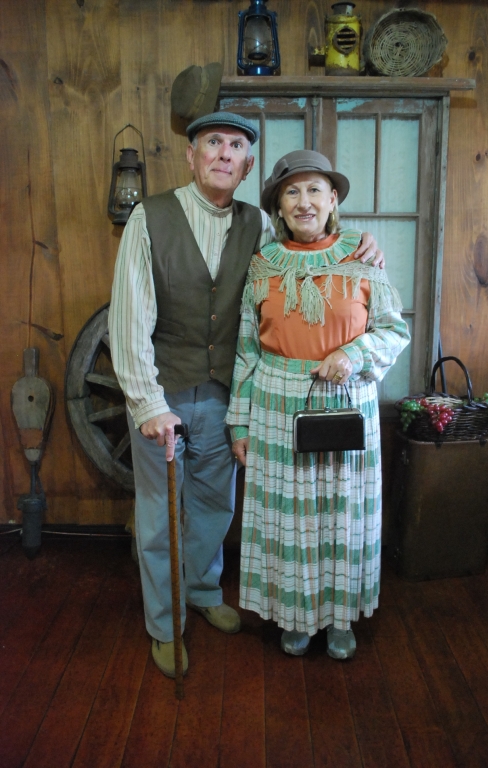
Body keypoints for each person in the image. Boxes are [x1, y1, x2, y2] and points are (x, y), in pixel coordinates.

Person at [109, 113, 384, 679]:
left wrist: (364, 243)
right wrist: (147, 402)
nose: (224, 154)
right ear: (191, 155)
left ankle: (203, 592)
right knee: (158, 516)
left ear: (248, 164)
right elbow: (129, 317)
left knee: (216, 505)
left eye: (236, 146)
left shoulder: (259, 227)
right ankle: (165, 625)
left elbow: (309, 252)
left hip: (223, 393)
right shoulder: (149, 218)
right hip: (163, 393)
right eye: (212, 143)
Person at [226, 149, 410, 660]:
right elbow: (246, 349)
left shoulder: (362, 256)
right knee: (290, 520)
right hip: (275, 405)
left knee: (341, 516)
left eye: (314, 190)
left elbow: (394, 330)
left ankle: (341, 619)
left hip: (345, 401)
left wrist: (353, 354)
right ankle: (295, 617)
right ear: (278, 206)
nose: (304, 202)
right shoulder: (263, 264)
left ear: (332, 200)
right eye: (292, 192)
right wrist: (239, 423)